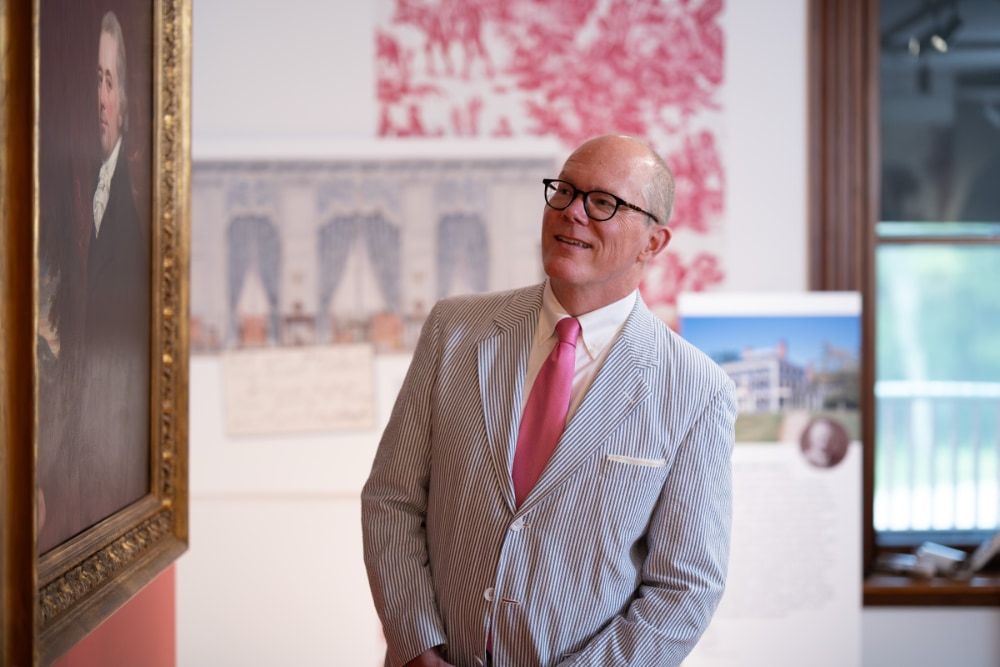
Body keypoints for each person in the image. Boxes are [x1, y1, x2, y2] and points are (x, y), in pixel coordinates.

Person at [362, 134, 738, 667]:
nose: (572, 213)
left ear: (652, 243)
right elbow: (391, 500)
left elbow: (685, 587)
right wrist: (418, 646)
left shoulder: (697, 392)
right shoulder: (455, 329)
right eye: (563, 191)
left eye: (603, 202)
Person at [38, 10, 150, 551]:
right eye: (93, 81)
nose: (99, 98)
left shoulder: (131, 225)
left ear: (125, 102)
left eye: (109, 82)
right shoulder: (74, 199)